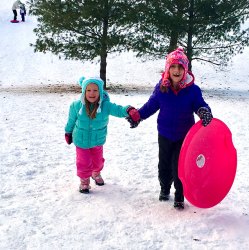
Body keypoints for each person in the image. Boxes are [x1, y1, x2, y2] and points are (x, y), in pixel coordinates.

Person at [127, 47, 213, 210]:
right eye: (173, 67)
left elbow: (200, 104)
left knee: (179, 166)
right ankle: (165, 188)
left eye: (180, 67)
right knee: (164, 165)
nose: (176, 70)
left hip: (185, 136)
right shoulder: (162, 88)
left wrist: (204, 112)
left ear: (185, 69)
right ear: (168, 69)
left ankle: (179, 196)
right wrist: (138, 116)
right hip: (165, 134)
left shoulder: (192, 90)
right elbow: (151, 105)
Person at [65, 76, 139, 194]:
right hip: (81, 139)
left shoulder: (105, 106)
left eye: (95, 90)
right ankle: (84, 181)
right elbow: (71, 121)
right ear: (84, 91)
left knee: (98, 161)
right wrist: (68, 132)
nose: (92, 93)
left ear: (100, 91)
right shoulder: (76, 106)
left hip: (98, 140)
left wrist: (129, 110)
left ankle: (96, 173)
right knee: (83, 162)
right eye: (88, 90)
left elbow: (118, 109)